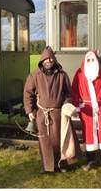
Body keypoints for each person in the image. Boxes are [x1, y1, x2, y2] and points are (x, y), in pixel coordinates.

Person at [23, 46, 79, 174]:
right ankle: (48, 167)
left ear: (54, 59)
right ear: (42, 60)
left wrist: (66, 106)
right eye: (46, 59)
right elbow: (28, 94)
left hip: (58, 114)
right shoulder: (34, 75)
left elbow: (69, 94)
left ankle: (63, 164)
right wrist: (30, 111)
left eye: (51, 58)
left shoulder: (62, 75)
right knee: (45, 142)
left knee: (61, 140)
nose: (48, 61)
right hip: (42, 115)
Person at [71, 51, 101, 176]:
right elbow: (74, 91)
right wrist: (75, 107)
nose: (91, 62)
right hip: (86, 109)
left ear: (97, 61)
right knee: (88, 137)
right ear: (85, 61)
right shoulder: (80, 74)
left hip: (100, 109)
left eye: (93, 60)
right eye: (88, 60)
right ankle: (90, 160)